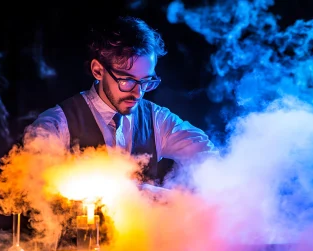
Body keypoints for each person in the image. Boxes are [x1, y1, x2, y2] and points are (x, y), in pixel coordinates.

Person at [25, 16, 217, 188]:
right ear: (98, 70)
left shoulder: (158, 120)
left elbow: (208, 161)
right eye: (127, 80)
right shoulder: (57, 125)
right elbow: (30, 186)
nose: (138, 93)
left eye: (146, 81)